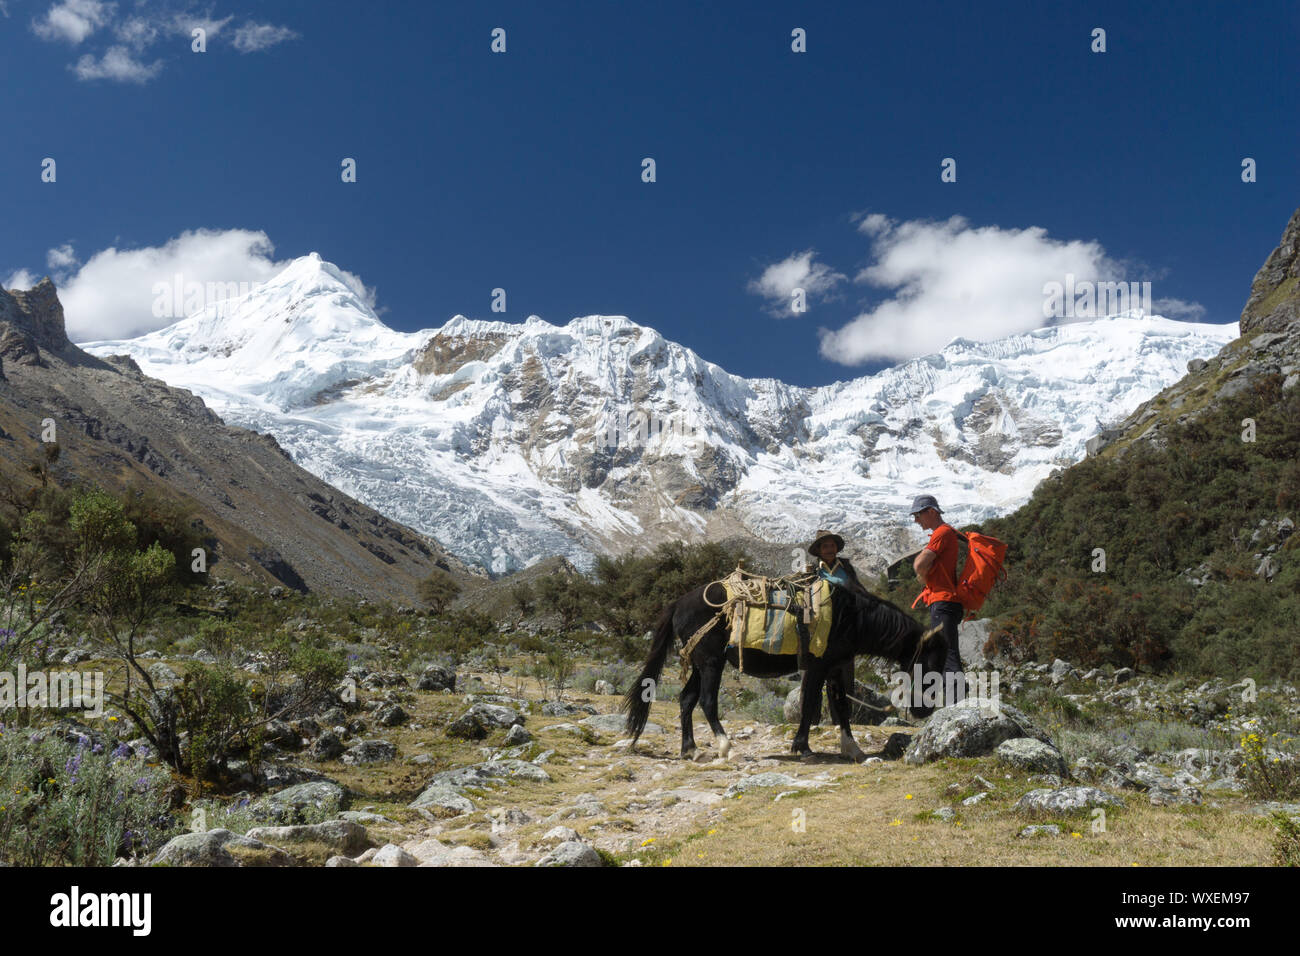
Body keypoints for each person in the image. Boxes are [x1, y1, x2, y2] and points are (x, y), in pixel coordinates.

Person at [909, 495, 966, 699]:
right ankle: (956, 703)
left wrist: (923, 578)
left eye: (918, 515)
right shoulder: (944, 533)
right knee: (946, 653)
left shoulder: (942, 533)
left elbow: (919, 565)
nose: (916, 520)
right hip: (946, 602)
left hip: (943, 601)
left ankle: (956, 707)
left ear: (932, 512)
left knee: (948, 656)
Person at [807, 530, 871, 601]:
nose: (830, 549)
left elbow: (858, 589)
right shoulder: (812, 570)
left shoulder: (846, 567)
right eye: (825, 546)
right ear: (819, 550)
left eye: (832, 545)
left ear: (836, 548)